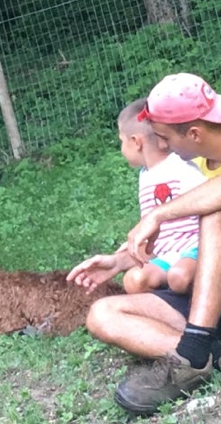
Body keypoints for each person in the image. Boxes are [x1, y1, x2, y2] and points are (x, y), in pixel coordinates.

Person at [69, 73, 221, 416]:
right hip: (218, 299)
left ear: (194, 134)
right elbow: (180, 236)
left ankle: (191, 354)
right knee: (103, 314)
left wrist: (157, 215)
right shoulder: (191, 167)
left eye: (164, 138)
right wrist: (119, 261)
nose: (162, 146)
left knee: (216, 211)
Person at [72, 98, 206, 296]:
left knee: (179, 277)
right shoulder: (146, 175)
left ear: (136, 142)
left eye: (121, 141)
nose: (121, 148)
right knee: (133, 280)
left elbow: (206, 198)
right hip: (166, 255)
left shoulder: (180, 166)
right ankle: (165, 310)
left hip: (195, 249)